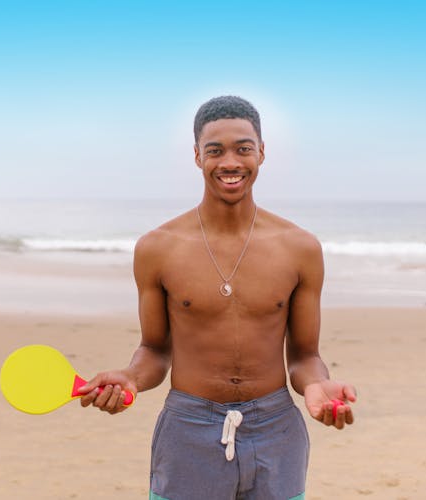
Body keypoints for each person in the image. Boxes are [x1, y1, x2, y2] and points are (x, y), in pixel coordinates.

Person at [77, 96, 356, 500]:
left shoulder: (300, 248)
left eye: (243, 149)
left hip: (276, 429)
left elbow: (304, 355)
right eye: (215, 151)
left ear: (261, 152)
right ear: (197, 157)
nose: (230, 162)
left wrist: (317, 384)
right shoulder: (159, 248)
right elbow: (155, 349)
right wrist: (131, 379)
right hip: (188, 428)